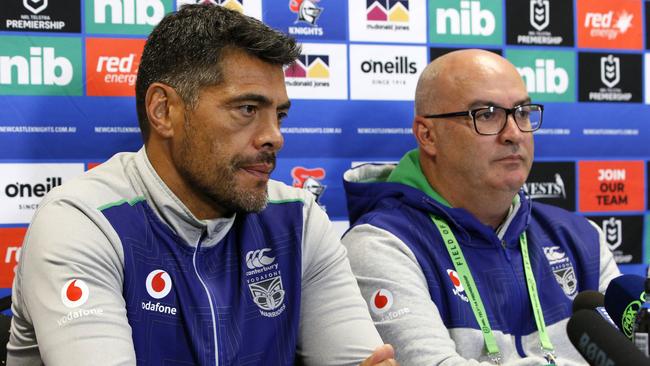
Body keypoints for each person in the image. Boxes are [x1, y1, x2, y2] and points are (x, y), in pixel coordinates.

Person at [7, 5, 396, 366]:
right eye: (247, 109)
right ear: (164, 111)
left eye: (279, 114)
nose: (274, 136)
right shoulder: (83, 222)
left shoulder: (298, 219)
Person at [341, 49, 620, 365]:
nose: (513, 133)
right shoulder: (382, 245)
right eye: (487, 114)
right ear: (427, 135)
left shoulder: (581, 237)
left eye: (523, 112)